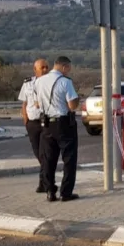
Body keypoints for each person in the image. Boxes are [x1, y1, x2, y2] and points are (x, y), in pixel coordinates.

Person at [35, 56, 81, 202]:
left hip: (46, 123)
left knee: (48, 159)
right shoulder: (65, 82)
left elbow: (37, 104)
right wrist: (77, 99)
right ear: (64, 67)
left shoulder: (39, 81)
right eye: (68, 69)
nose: (68, 72)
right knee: (69, 158)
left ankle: (50, 191)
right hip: (63, 123)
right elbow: (72, 105)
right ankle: (66, 192)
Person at [18, 58, 50, 192]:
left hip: (47, 122)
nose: (45, 69)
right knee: (38, 153)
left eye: (46, 67)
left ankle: (45, 183)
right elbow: (24, 103)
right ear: (35, 69)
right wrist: (25, 120)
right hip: (32, 123)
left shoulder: (51, 82)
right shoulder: (28, 83)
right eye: (42, 67)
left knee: (45, 153)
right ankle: (45, 180)